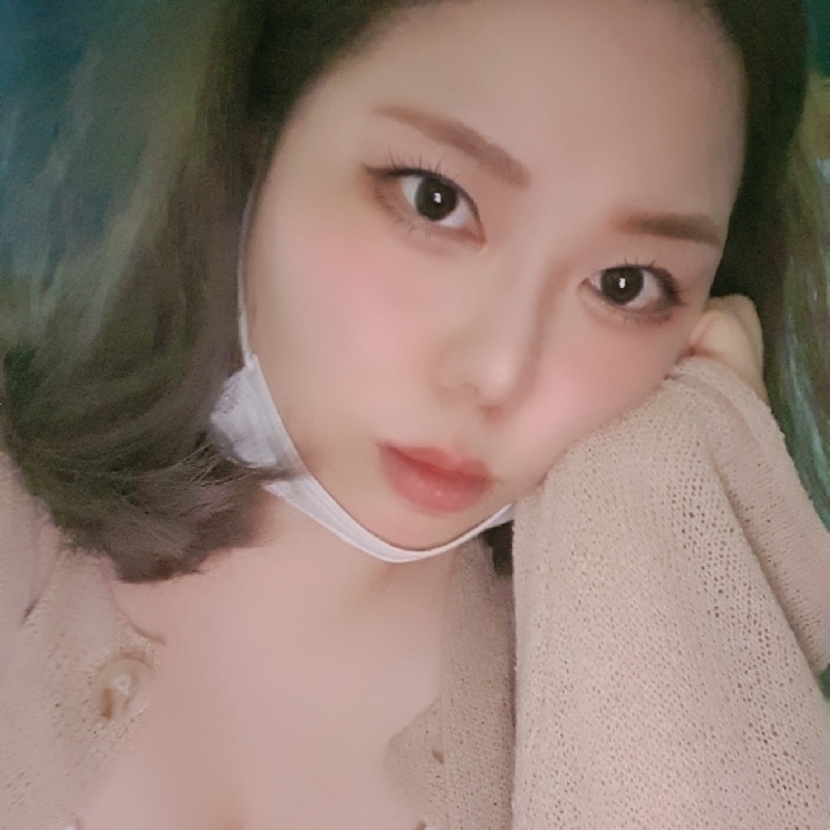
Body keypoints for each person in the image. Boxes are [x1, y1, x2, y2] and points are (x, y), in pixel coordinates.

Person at [0, 0, 827, 828]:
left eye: (626, 285)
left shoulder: (622, 667)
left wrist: (668, 497)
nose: (498, 371)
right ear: (257, 136)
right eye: (436, 200)